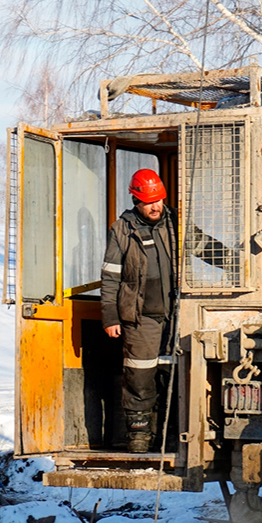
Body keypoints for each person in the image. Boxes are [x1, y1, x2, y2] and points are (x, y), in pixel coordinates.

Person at [100, 169, 177, 453]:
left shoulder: (176, 223)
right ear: (136, 200)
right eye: (149, 202)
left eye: (159, 200)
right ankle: (139, 436)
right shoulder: (121, 230)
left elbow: (206, 247)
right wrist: (110, 316)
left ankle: (170, 435)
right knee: (139, 375)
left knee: (172, 375)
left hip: (176, 315)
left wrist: (234, 261)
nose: (156, 206)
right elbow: (110, 277)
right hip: (140, 317)